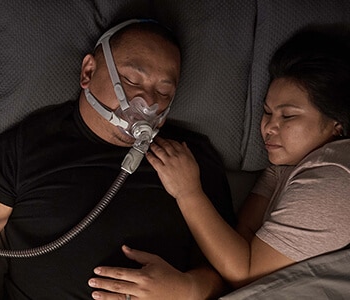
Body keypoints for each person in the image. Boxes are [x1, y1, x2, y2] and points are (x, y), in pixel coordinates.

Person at [0, 19, 235, 299]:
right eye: (132, 79)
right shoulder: (29, 145)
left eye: (163, 92)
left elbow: (226, 270)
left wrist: (188, 290)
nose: (147, 102)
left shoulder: (191, 158)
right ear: (88, 71)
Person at [88, 24, 350, 297]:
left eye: (288, 116)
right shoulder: (285, 165)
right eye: (267, 112)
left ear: (337, 124)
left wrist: (188, 191)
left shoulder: (335, 175)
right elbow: (241, 237)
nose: (269, 127)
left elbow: (244, 273)